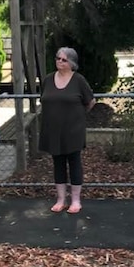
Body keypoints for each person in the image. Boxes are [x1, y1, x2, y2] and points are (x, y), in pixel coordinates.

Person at [39, 47, 96, 214]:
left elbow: (90, 102)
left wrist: (77, 115)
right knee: (58, 163)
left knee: (74, 162)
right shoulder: (48, 80)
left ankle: (76, 201)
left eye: (63, 59)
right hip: (53, 129)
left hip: (73, 130)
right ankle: (61, 199)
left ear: (71, 63)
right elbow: (44, 99)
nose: (59, 61)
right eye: (58, 58)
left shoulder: (78, 80)